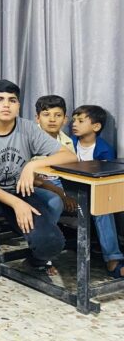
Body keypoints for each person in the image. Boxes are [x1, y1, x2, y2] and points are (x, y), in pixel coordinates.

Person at [0, 80, 77, 302]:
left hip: (19, 190)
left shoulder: (28, 128)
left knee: (53, 242)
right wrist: (16, 203)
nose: (6, 105)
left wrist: (32, 165)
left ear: (19, 105)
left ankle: (35, 261)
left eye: (12, 100)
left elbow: (69, 156)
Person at [71, 105, 124, 278]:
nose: (74, 124)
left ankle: (113, 258)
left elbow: (106, 179)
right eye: (73, 120)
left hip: (94, 194)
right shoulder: (68, 143)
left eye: (80, 121)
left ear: (96, 126)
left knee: (102, 208)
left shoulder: (104, 149)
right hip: (69, 192)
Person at [32, 95, 77, 222]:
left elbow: (71, 172)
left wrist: (66, 193)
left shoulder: (67, 141)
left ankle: (108, 238)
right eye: (46, 115)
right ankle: (47, 234)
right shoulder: (29, 139)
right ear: (37, 118)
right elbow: (33, 179)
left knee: (99, 199)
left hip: (63, 184)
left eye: (58, 115)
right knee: (54, 202)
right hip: (39, 185)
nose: (52, 119)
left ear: (65, 119)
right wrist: (61, 194)